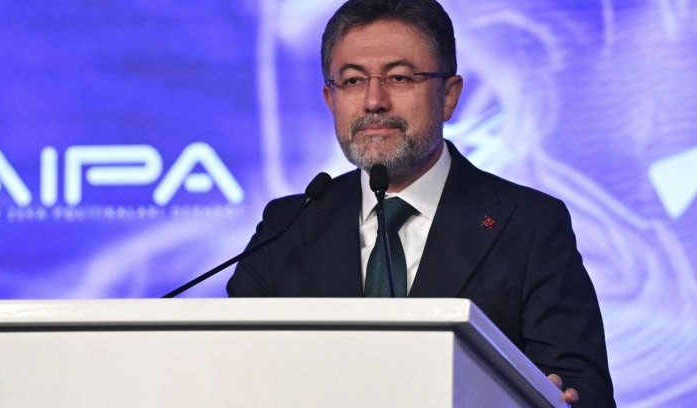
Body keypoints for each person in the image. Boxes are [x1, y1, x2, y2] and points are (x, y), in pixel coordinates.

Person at [227, 0, 615, 406]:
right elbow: (230, 370)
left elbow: (582, 390)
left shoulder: (529, 225)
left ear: (448, 95)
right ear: (330, 99)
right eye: (353, 81)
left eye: (399, 77)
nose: (374, 101)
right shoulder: (286, 228)